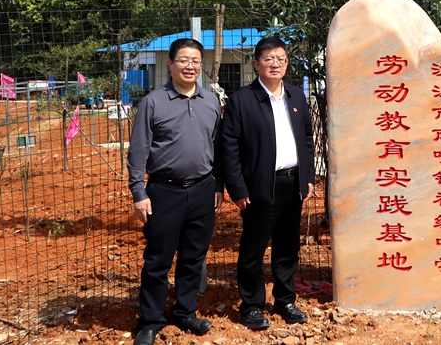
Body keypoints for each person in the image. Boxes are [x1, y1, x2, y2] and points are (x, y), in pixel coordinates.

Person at [127, 39, 223, 345]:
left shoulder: (211, 102)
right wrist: (138, 192)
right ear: (170, 64)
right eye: (183, 60)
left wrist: (218, 185)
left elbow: (218, 147)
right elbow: (138, 151)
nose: (190, 66)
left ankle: (185, 311)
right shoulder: (153, 102)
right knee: (158, 260)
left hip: (203, 190)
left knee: (193, 257)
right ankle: (150, 321)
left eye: (195, 61)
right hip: (163, 192)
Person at [220, 36, 315, 330]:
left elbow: (308, 140)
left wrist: (307, 178)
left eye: (281, 58)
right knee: (253, 249)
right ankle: (251, 306)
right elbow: (229, 148)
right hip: (260, 187)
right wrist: (237, 189)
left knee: (287, 248)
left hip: (293, 183)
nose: (276, 64)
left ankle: (285, 300)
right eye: (269, 59)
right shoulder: (242, 100)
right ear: (257, 63)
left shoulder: (296, 96)